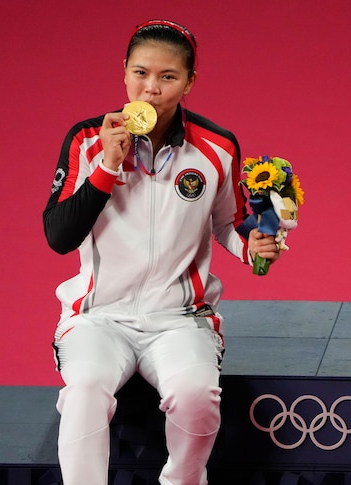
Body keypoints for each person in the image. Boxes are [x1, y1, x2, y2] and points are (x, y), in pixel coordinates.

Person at [43, 19, 279, 485]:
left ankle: (180, 481)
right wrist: (107, 168)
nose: (151, 88)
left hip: (180, 318)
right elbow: (59, 236)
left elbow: (229, 223)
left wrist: (252, 242)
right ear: (124, 73)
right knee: (86, 389)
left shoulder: (217, 148)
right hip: (98, 316)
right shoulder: (87, 139)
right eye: (141, 73)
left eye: (168, 77)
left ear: (190, 82)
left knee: (197, 394)